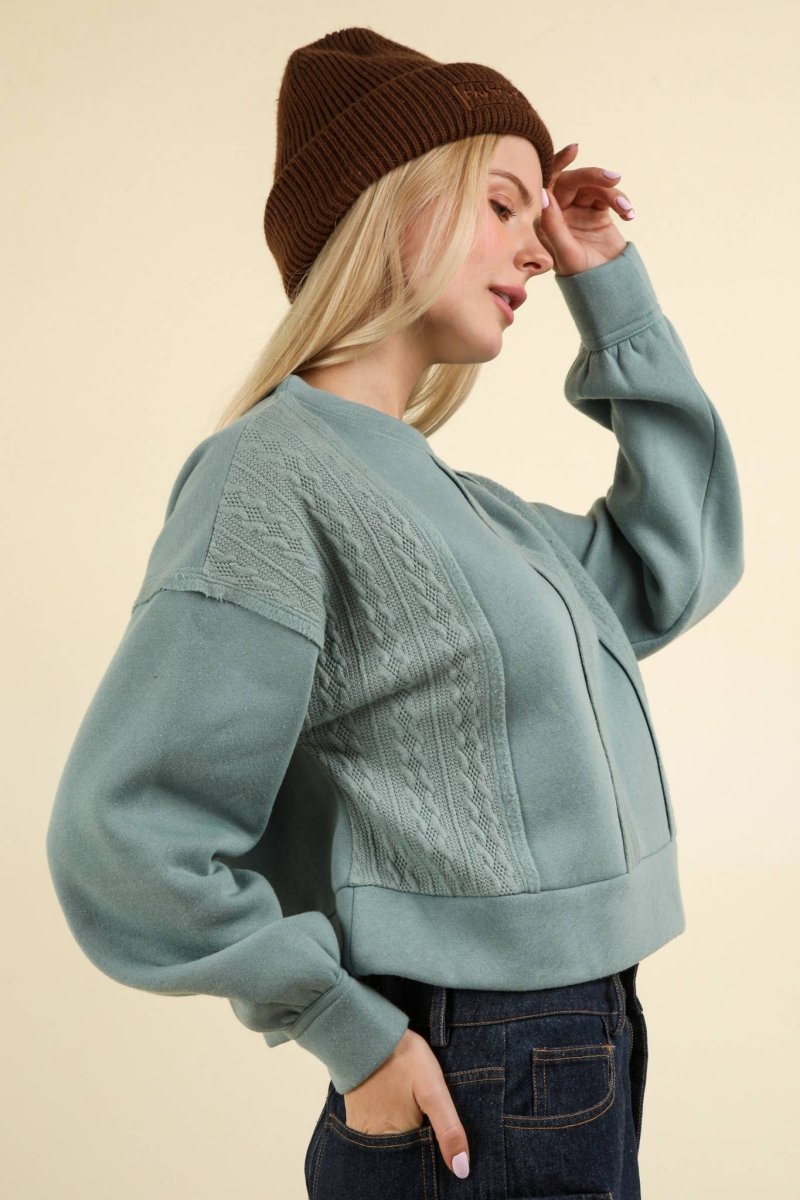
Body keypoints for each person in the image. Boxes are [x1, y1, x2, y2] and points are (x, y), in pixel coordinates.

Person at [45, 25, 745, 1200]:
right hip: (475, 1060)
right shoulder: (271, 475)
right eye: (502, 204)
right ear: (390, 207)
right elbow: (123, 836)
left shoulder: (470, 510)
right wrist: (345, 1029)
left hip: (581, 1036)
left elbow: (674, 560)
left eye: (537, 217)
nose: (534, 248)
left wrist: (611, 288)